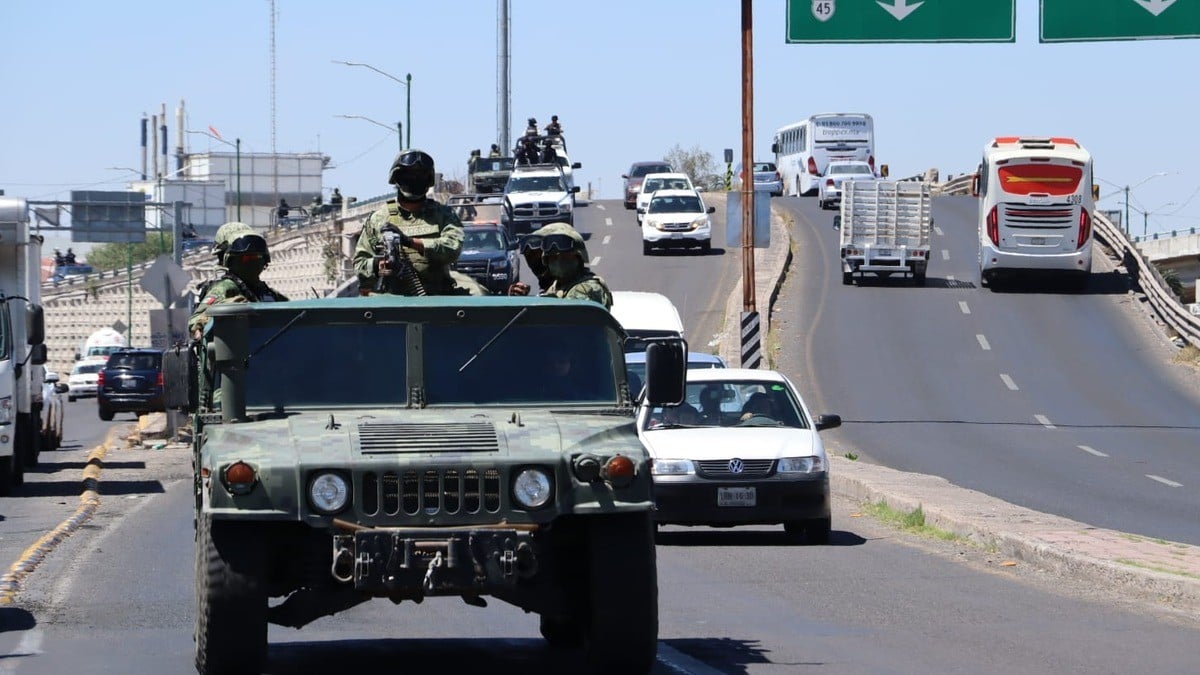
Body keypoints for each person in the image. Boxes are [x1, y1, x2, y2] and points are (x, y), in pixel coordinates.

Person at [353, 149, 465, 296]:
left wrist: (409, 242)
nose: (414, 179)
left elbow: (452, 248)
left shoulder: (443, 214)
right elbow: (360, 264)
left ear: (428, 179)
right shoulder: (378, 219)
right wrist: (377, 264)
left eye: (420, 175)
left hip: (437, 299)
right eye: (409, 174)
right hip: (390, 301)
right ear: (397, 177)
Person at [188, 222, 288, 338]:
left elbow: (293, 314)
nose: (252, 262)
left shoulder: (268, 293)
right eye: (246, 258)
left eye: (256, 257)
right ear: (226, 258)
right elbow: (195, 321)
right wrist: (226, 308)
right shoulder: (225, 288)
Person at [507, 222, 611, 309]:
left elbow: (563, 322)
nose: (558, 262)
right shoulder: (557, 287)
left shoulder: (586, 288)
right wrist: (519, 301)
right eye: (552, 258)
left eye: (565, 257)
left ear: (578, 258)